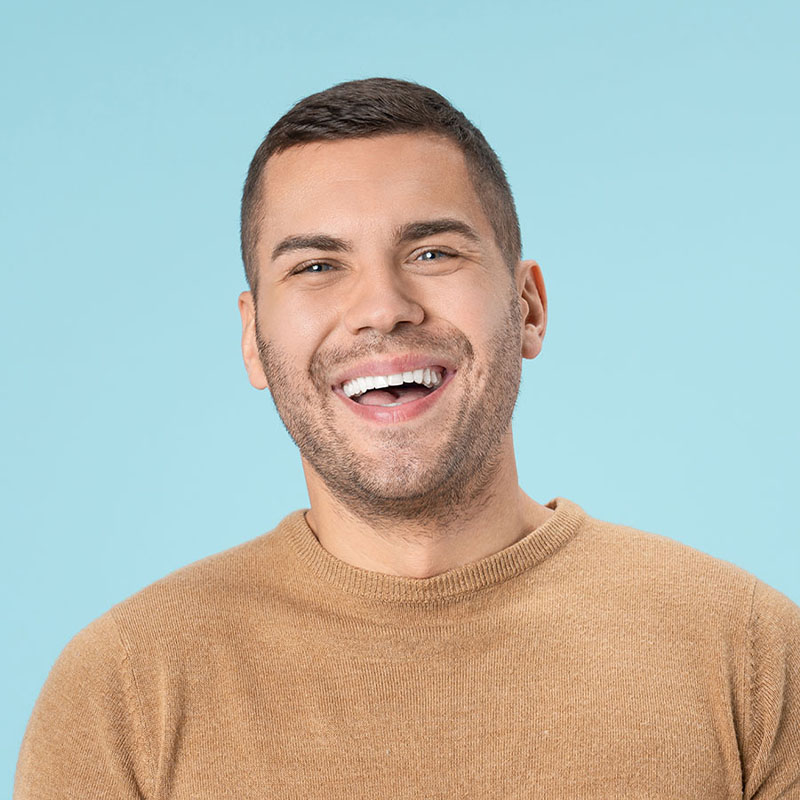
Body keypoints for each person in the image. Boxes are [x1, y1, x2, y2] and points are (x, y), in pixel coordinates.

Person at [14, 78, 800, 799]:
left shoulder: (751, 654)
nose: (382, 308)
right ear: (253, 339)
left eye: (432, 253)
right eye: (317, 266)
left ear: (527, 307)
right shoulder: (125, 688)